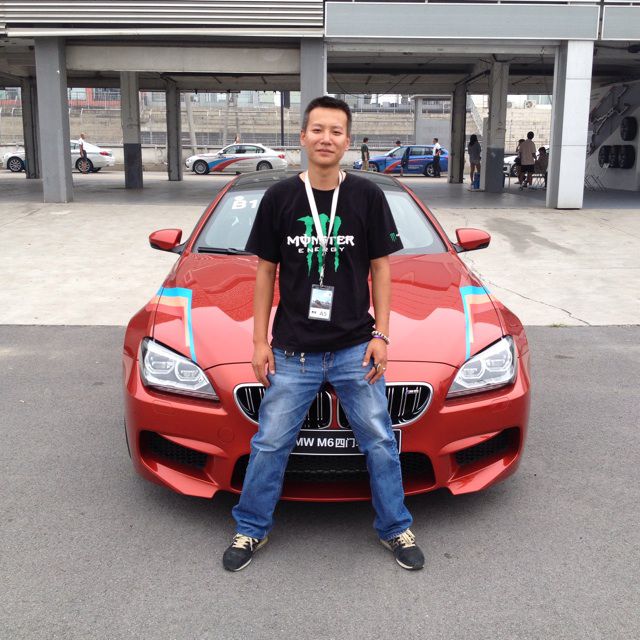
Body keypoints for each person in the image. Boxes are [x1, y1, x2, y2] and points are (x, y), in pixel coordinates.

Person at [223, 95, 424, 573]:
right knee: (270, 443)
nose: (326, 138)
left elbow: (381, 269)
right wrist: (259, 342)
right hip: (293, 352)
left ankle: (395, 527)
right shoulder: (279, 198)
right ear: (303, 137)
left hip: (355, 349)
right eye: (317, 129)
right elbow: (264, 273)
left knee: (380, 441)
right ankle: (251, 528)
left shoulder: (367, 196)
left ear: (347, 141)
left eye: (336, 131)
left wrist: (382, 335)